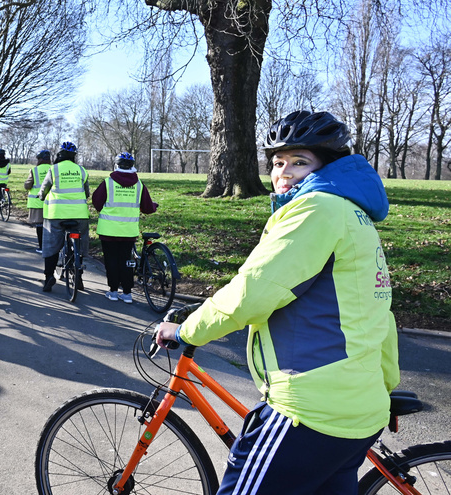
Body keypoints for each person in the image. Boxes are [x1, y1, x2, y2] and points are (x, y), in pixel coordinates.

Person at [155, 110, 399, 495]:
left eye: (300, 162)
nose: (284, 172)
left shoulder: (317, 208)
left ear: (328, 165)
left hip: (309, 411)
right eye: (278, 162)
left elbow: (253, 291)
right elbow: (379, 315)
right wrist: (385, 388)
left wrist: (187, 330)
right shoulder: (356, 216)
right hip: (358, 412)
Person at [91, 152, 158, 304]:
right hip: (128, 231)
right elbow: (147, 207)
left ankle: (113, 291)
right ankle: (127, 293)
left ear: (116, 165)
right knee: (126, 261)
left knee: (111, 260)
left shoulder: (108, 183)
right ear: (132, 166)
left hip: (108, 230)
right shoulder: (139, 185)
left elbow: (96, 201)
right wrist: (154, 206)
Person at [37, 141, 90, 292]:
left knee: (52, 247)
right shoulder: (81, 170)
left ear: (60, 154)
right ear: (74, 156)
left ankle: (48, 277)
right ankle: (78, 275)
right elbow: (86, 193)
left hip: (56, 215)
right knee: (78, 245)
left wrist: (41, 196)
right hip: (79, 215)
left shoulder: (54, 169)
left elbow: (44, 190)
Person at [23, 149, 51, 253]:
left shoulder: (34, 170)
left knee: (40, 225)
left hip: (38, 202)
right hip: (52, 202)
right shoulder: (54, 169)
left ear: (40, 159)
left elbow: (27, 185)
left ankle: (41, 247)